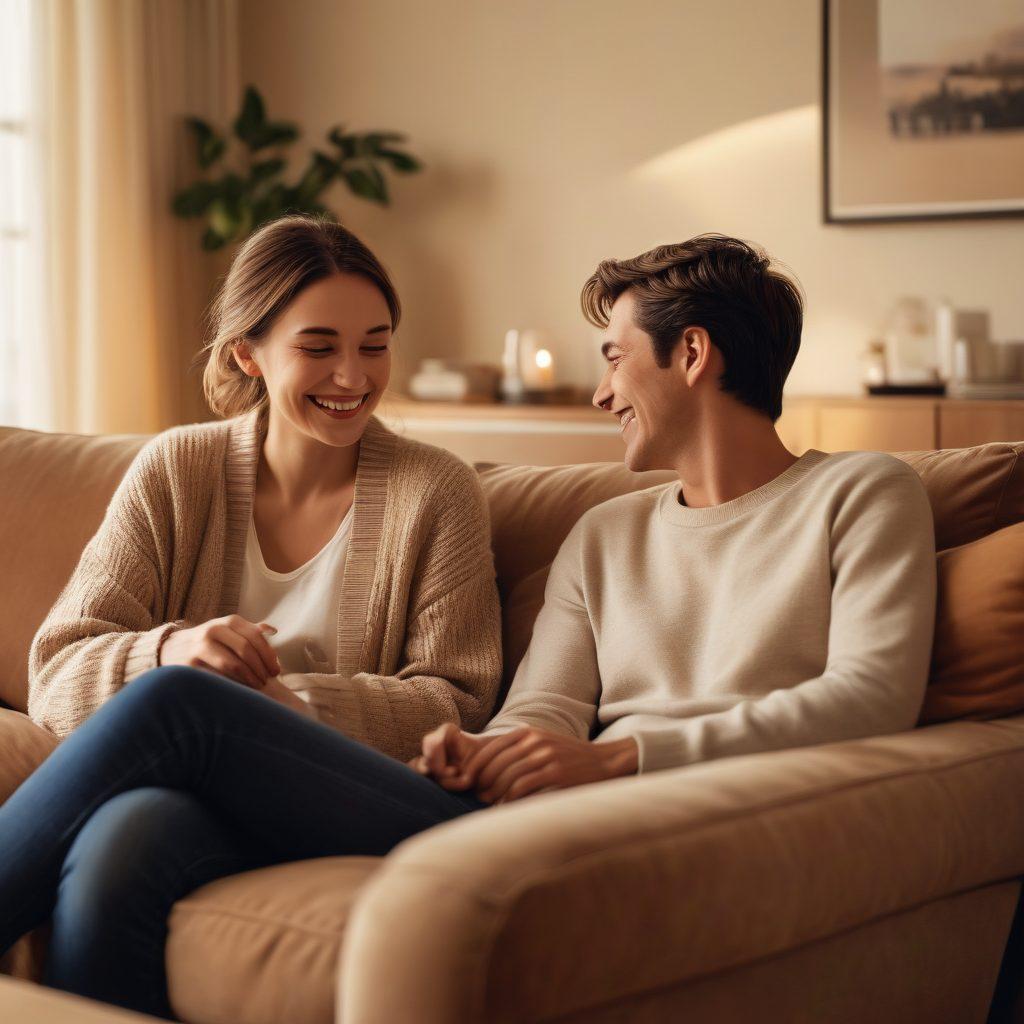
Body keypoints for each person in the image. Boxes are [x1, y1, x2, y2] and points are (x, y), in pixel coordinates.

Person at [0, 214, 501, 1019]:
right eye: (319, 347)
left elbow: (461, 700)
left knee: (183, 703)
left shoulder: (436, 490)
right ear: (247, 353)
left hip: (382, 798)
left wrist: (286, 705)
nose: (352, 375)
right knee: (121, 839)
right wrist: (172, 649)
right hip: (217, 804)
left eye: (374, 346)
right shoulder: (179, 470)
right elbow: (56, 669)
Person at [412, 233, 937, 804]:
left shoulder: (862, 493)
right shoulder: (602, 534)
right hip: (577, 806)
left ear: (691, 353)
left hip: (723, 804)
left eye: (616, 359)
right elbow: (545, 708)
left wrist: (621, 758)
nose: (601, 395)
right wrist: (482, 756)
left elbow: (871, 696)